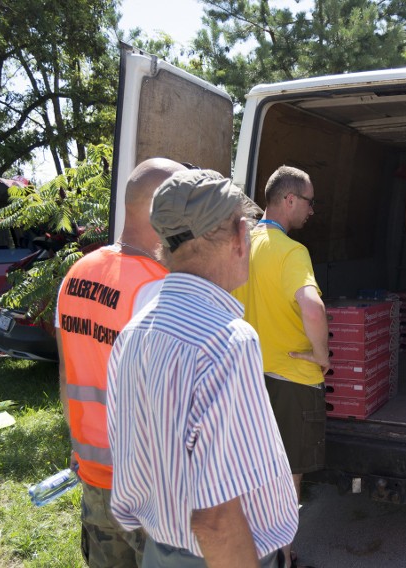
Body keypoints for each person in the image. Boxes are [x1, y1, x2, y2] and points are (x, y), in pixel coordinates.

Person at [107, 169, 298, 568]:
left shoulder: (133, 332)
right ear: (240, 235)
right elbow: (214, 518)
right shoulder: (227, 341)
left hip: (160, 552)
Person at [56, 158, 187, 567]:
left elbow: (67, 376)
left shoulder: (76, 274)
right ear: (158, 211)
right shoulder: (158, 287)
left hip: (95, 476)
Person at [232, 165, 329, 568]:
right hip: (291, 379)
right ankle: (283, 558)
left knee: (252, 472)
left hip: (247, 376)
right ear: (289, 200)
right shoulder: (291, 251)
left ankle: (253, 551)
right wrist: (322, 355)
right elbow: (312, 305)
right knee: (288, 476)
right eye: (309, 202)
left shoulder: (241, 243)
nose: (311, 210)